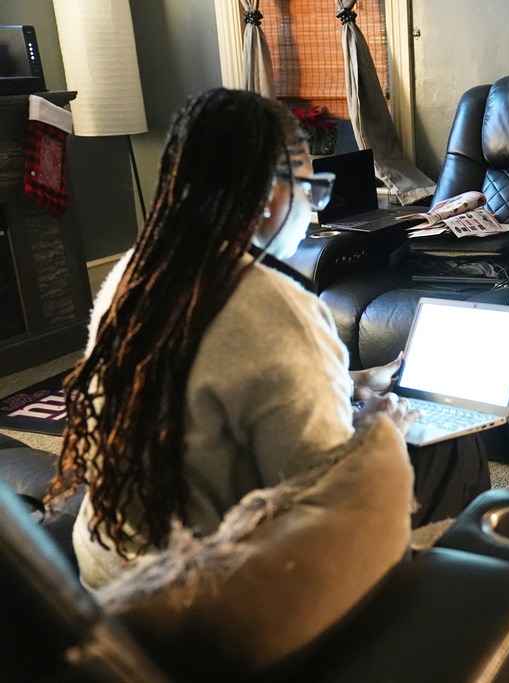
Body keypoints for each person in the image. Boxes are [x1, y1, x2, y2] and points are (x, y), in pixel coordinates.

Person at [45, 88, 421, 589]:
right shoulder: (277, 307)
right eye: (311, 188)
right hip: (201, 597)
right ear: (267, 193)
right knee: (444, 454)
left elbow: (200, 381)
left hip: (109, 569)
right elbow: (326, 498)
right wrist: (382, 439)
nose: (313, 205)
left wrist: (346, 382)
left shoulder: (133, 275)